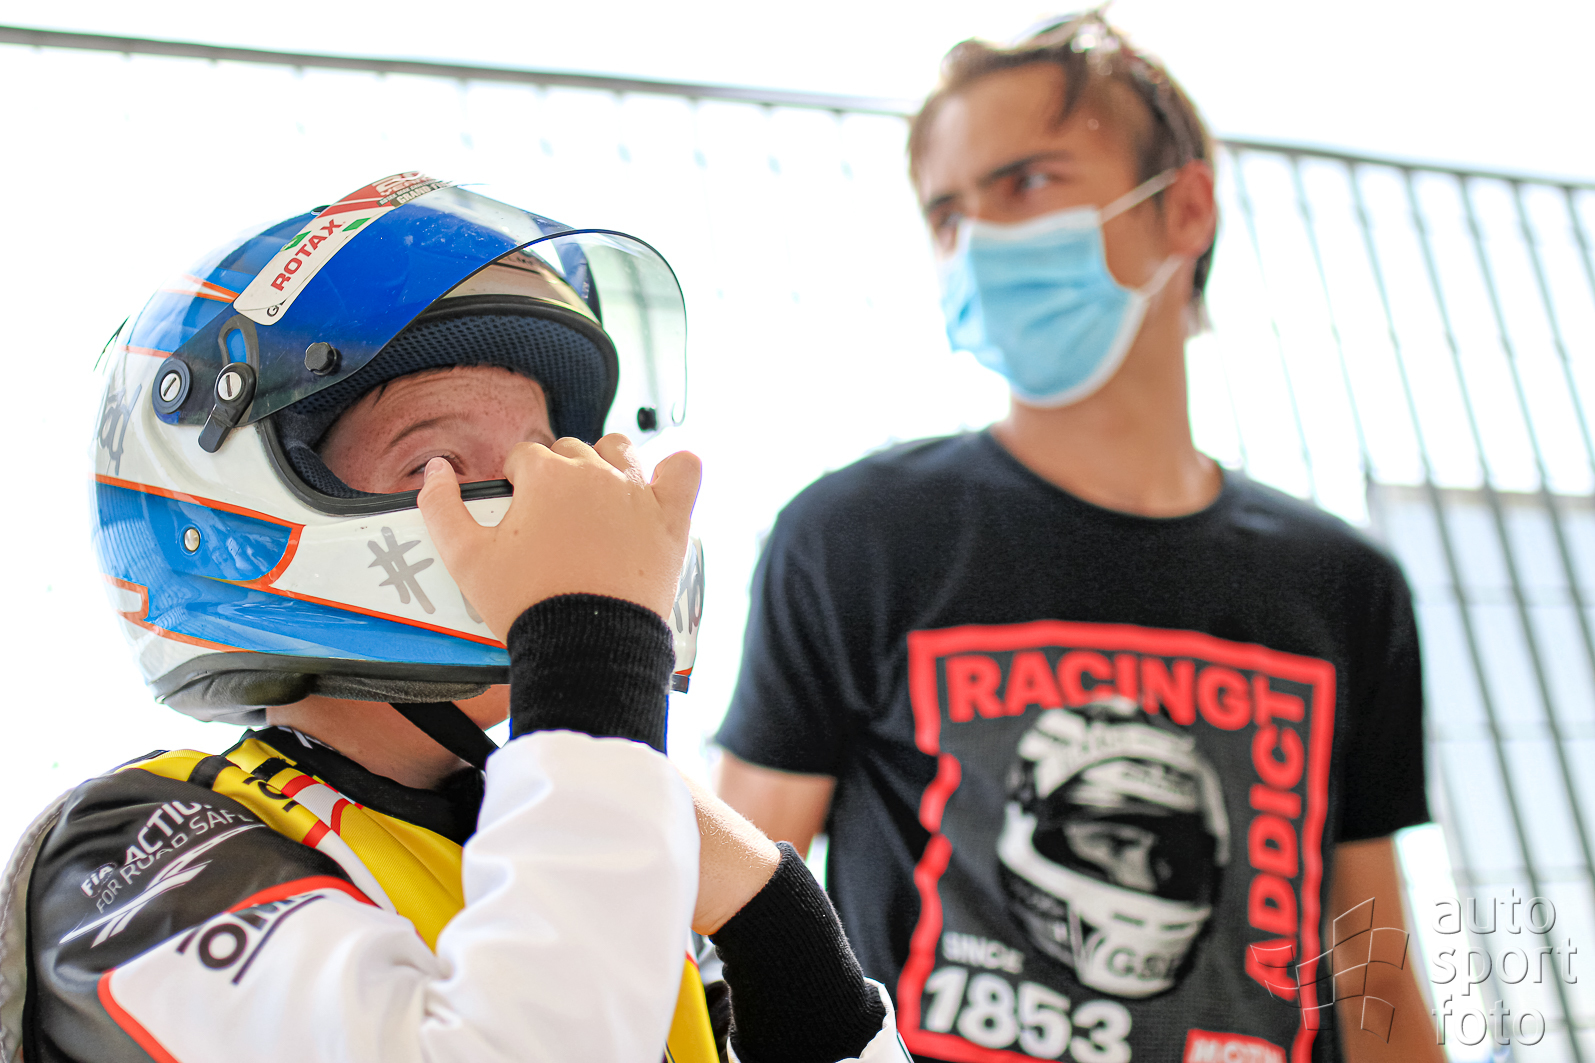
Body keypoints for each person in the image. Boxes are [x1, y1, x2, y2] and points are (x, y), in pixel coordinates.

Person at [1, 174, 908, 1063]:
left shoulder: (591, 840)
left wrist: (775, 920)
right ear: (231, 505)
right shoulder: (130, 850)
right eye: (437, 460)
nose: (541, 497)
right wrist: (589, 657)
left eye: (547, 454)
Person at [714, 15, 1441, 1063]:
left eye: (1026, 183)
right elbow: (731, 907)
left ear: (1184, 207)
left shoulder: (1342, 582)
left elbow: (1373, 971)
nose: (976, 241)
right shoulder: (853, 536)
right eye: (946, 212)